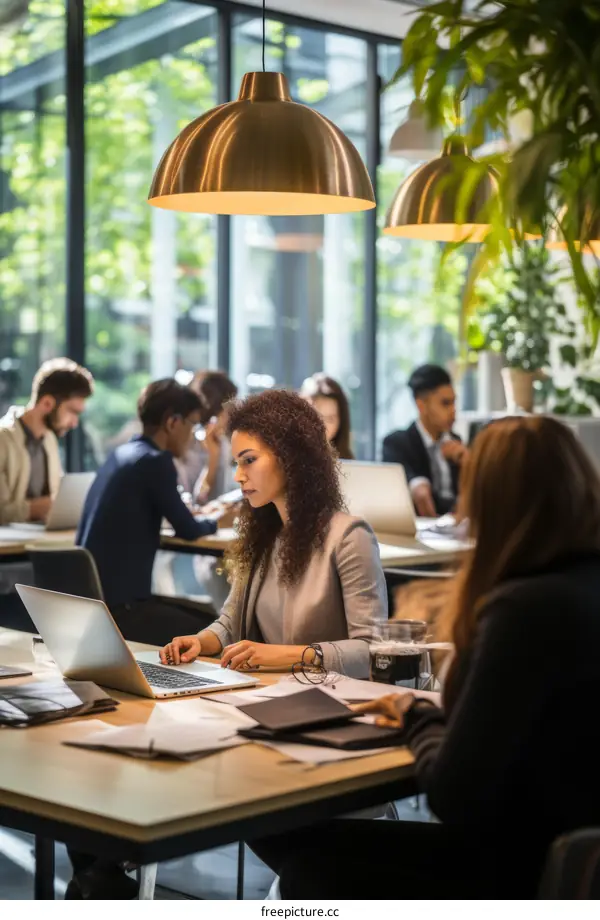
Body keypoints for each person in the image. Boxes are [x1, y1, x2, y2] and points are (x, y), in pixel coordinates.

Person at [251, 416, 600, 898]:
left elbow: (455, 794)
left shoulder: (523, 611)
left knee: (304, 862)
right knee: (289, 839)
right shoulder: (580, 587)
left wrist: (415, 714)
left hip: (520, 870)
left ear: (491, 503)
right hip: (575, 853)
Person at [160, 389, 386, 678]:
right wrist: (199, 642)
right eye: (236, 462)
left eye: (249, 460)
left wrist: (288, 655)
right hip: (270, 692)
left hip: (330, 699)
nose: (238, 476)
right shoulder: (262, 534)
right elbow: (231, 621)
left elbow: (371, 651)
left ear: (290, 457)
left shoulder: (350, 537)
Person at [76, 379, 231, 646]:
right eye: (192, 425)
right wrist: (219, 521)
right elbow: (188, 530)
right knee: (213, 630)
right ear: (173, 422)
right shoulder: (155, 462)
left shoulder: (121, 455)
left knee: (203, 616)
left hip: (93, 606)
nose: (193, 435)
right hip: (122, 612)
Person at [0, 358, 93, 524]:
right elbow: (2, 511)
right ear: (47, 403)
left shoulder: (49, 439)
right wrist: (44, 506)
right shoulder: (3, 439)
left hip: (42, 538)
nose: (74, 423)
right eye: (72, 412)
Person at [382, 364, 467, 517]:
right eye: (445, 403)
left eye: (454, 402)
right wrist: (415, 484)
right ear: (421, 405)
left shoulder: (457, 443)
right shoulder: (397, 443)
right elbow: (405, 478)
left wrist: (469, 462)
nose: (453, 410)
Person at [176, 370, 238, 503]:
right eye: (229, 407)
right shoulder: (187, 446)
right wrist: (213, 458)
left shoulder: (223, 443)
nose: (233, 413)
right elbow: (197, 502)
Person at [299, 372, 354, 460]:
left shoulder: (351, 467)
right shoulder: (282, 462)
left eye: (330, 419)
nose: (322, 427)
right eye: (315, 417)